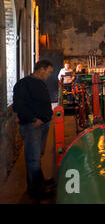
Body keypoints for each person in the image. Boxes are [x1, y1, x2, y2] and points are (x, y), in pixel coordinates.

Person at [13, 59, 55, 200]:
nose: (49, 75)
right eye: (48, 72)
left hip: (43, 125)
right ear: (41, 69)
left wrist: (47, 117)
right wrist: (33, 119)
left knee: (37, 155)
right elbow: (18, 105)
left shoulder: (40, 83)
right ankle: (36, 191)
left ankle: (39, 182)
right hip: (33, 127)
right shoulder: (23, 84)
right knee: (33, 159)